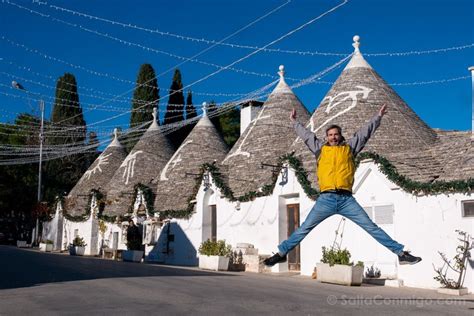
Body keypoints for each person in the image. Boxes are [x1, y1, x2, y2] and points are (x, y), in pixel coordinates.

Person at [263, 105, 422, 266]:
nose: (333, 137)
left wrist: (378, 117)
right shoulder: (320, 149)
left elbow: (364, 133)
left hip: (346, 200)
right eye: (330, 135)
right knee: (304, 228)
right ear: (326, 137)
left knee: (371, 227)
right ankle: (281, 253)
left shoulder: (350, 148)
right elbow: (307, 136)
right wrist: (294, 121)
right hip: (326, 199)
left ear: (340, 135)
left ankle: (401, 253)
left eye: (336, 134)